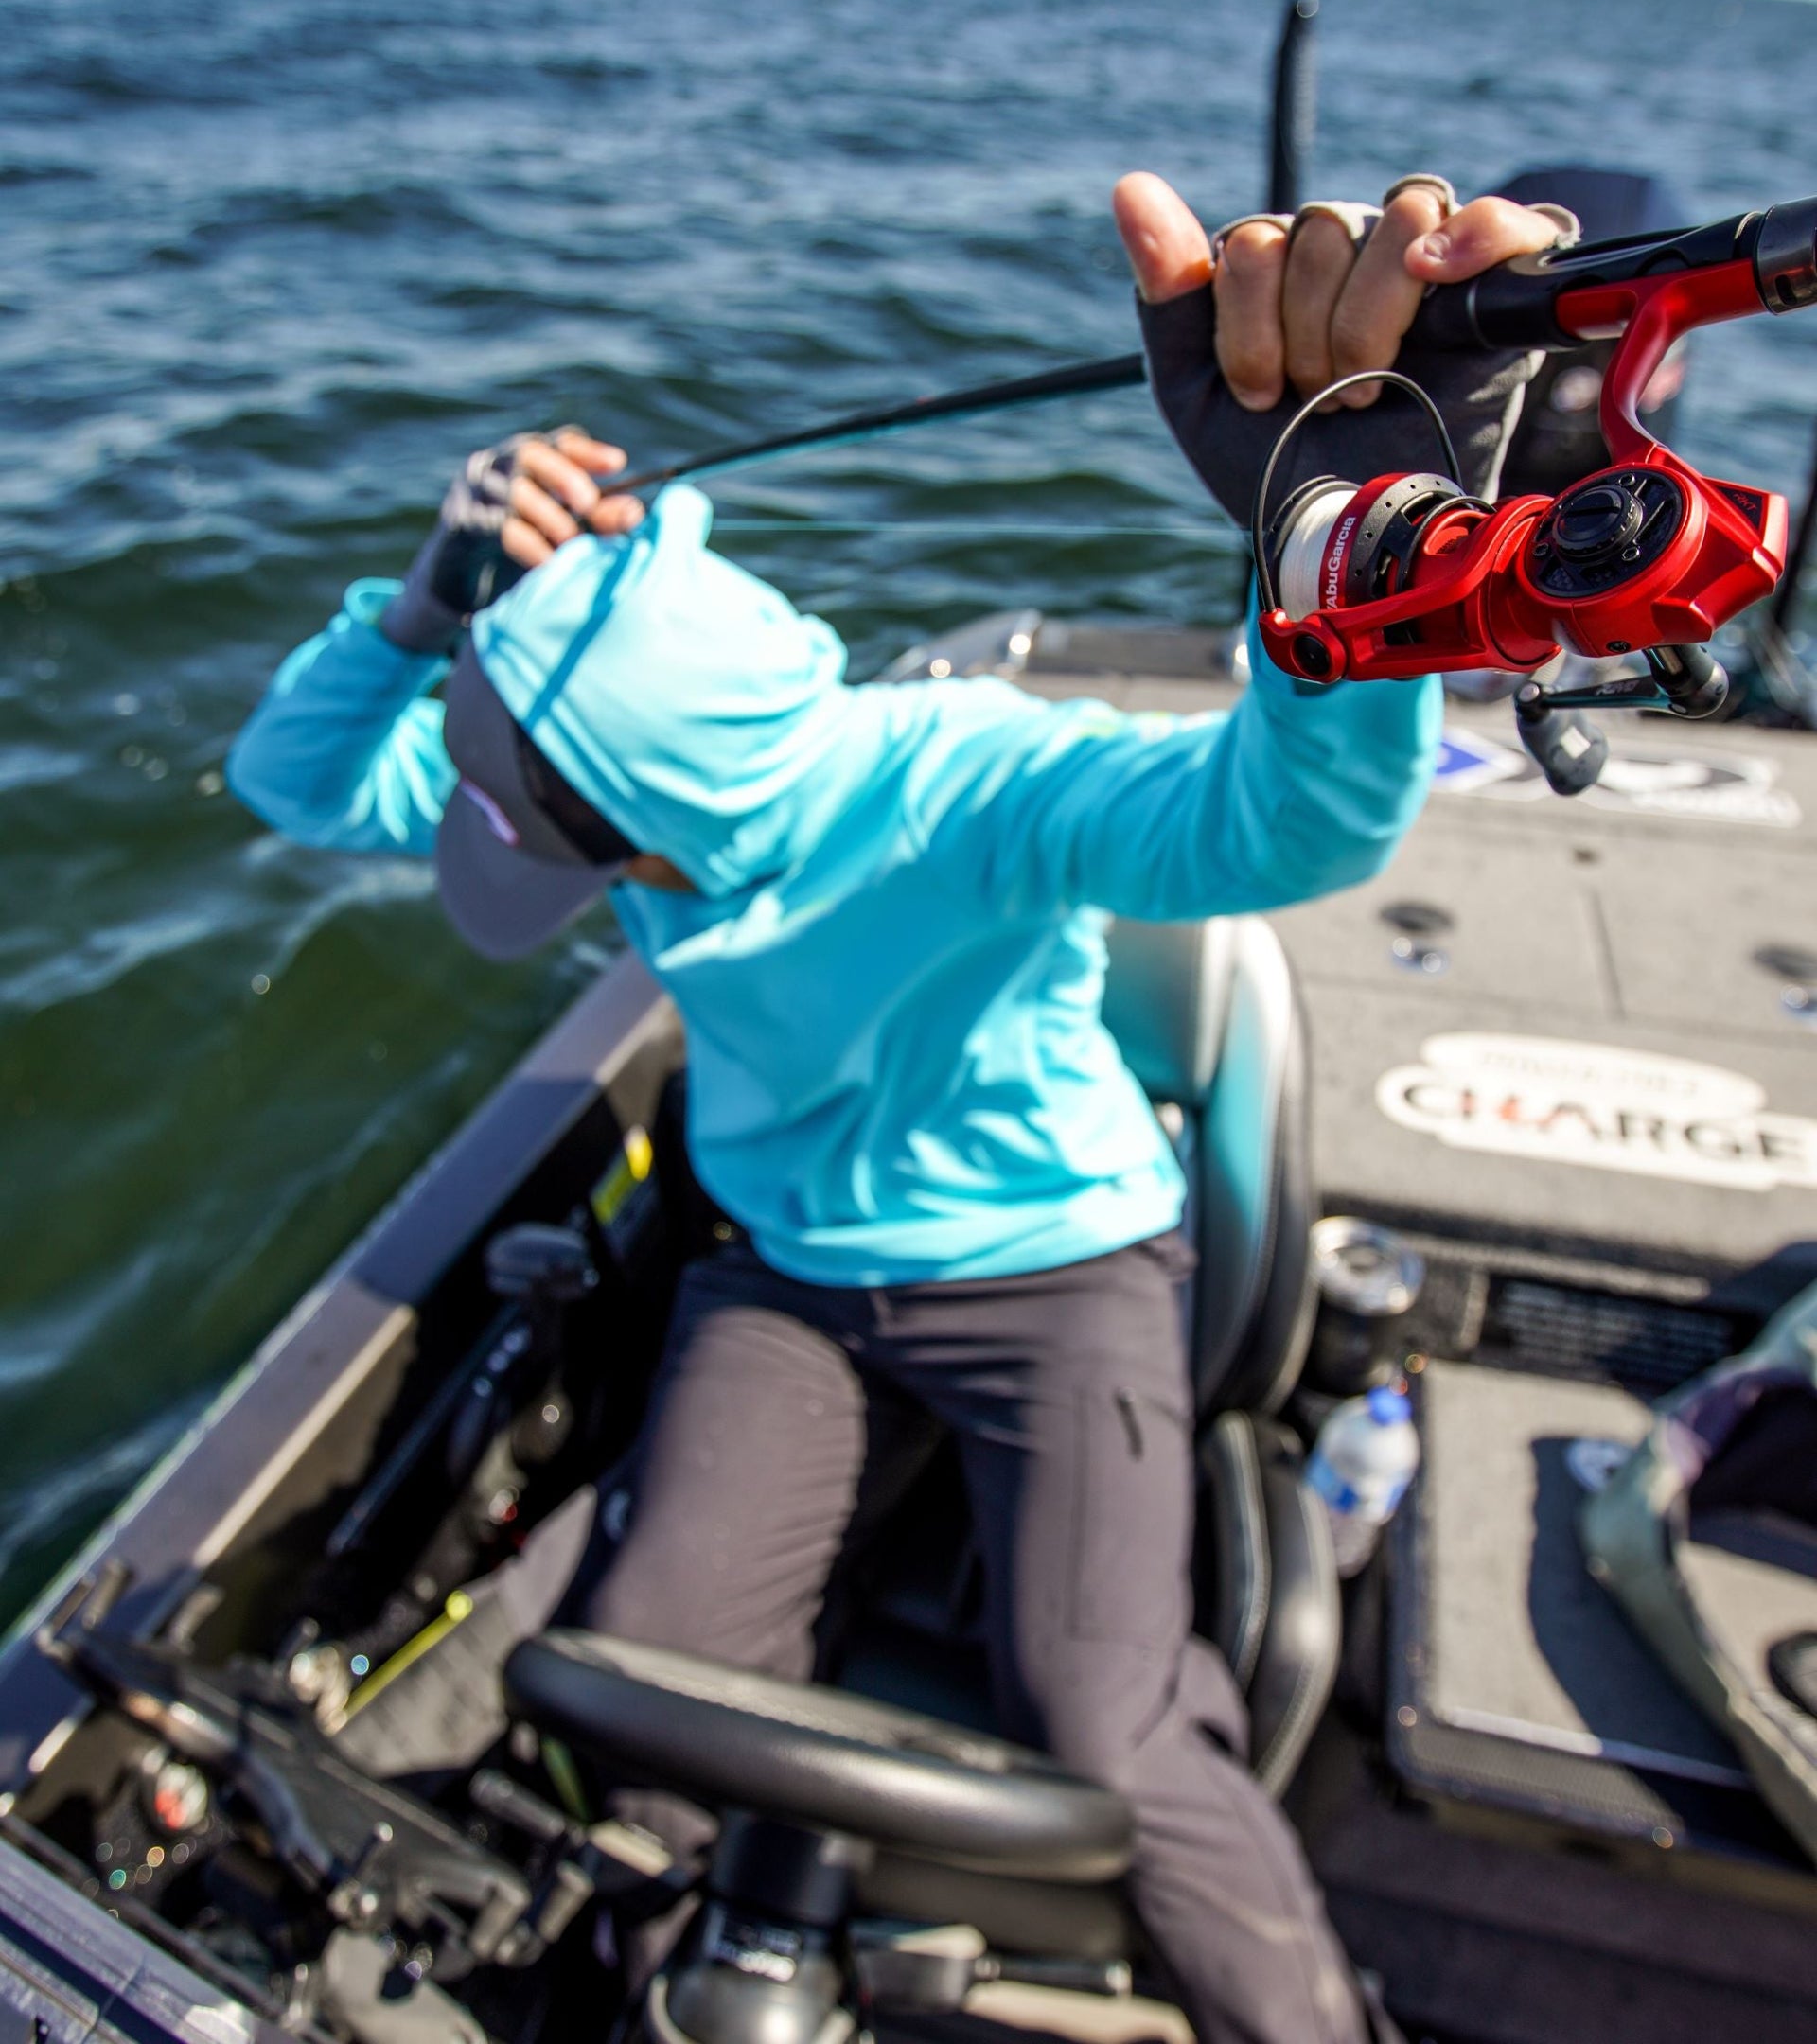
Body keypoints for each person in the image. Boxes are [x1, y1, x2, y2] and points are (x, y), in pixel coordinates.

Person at [229, 170, 1569, 2044]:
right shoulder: (637, 823)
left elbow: (1287, 826)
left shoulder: (962, 777)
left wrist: (1335, 564)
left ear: (645, 833)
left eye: (565, 841)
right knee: (653, 1675)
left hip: (1055, 1277)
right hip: (785, 1274)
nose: (553, 866)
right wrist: (423, 603)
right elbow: (297, 781)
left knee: (1111, 1724)